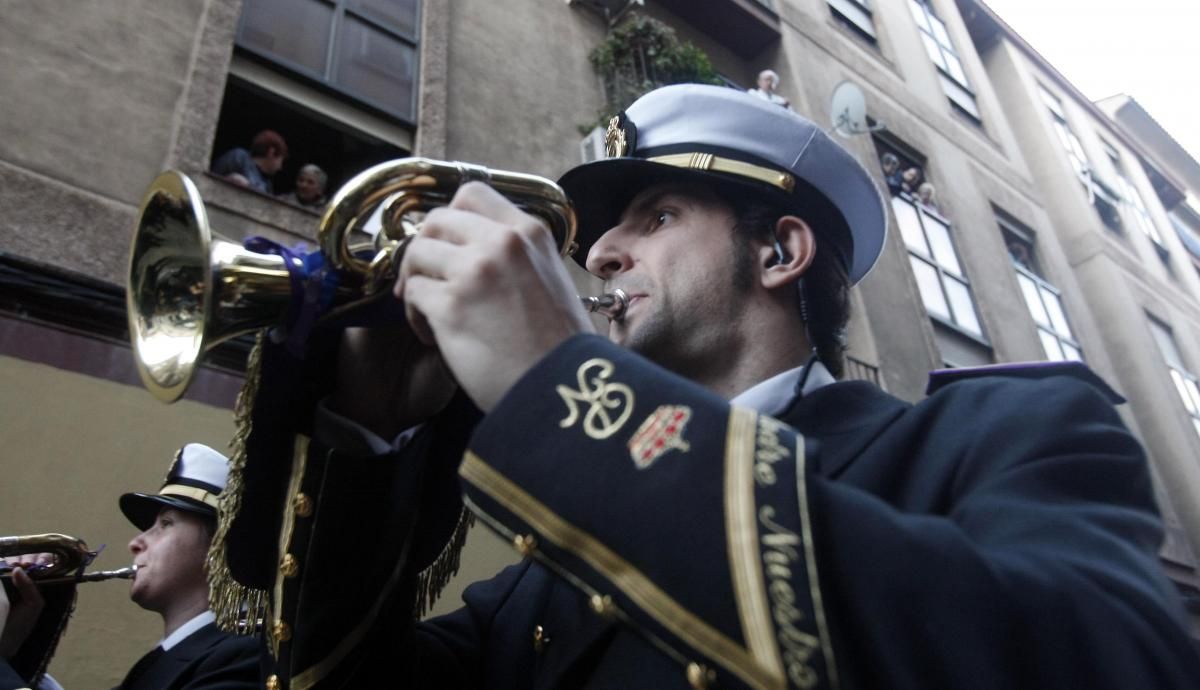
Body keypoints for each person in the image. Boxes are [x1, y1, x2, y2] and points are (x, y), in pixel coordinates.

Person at [221, 84, 1200, 687]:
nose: (600, 250)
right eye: (607, 230)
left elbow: (1096, 661)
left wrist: (562, 386)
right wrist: (372, 433)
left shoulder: (1009, 430)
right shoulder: (535, 586)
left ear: (781, 251)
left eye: (655, 214)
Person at [0, 444, 259, 690]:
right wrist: (11, 651)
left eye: (166, 523)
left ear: (220, 547)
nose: (135, 543)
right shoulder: (170, 659)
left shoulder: (246, 657)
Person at [211, 130, 288, 195]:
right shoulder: (239, 157)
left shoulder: (268, 185)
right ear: (271, 152)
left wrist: (248, 186)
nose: (280, 167)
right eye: (280, 160)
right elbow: (214, 176)